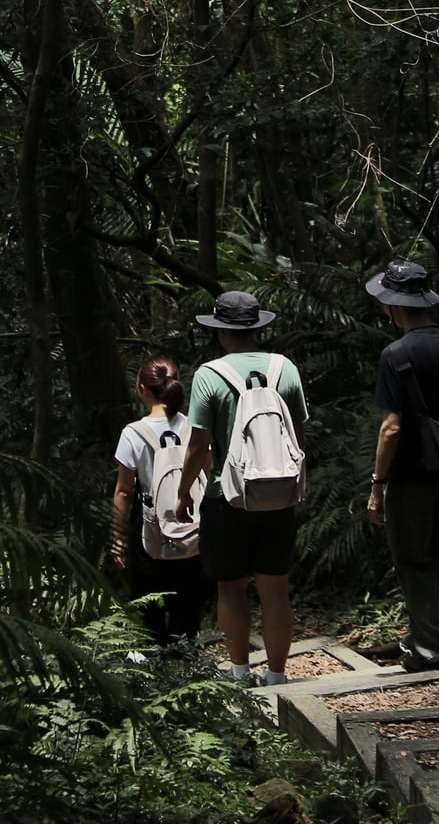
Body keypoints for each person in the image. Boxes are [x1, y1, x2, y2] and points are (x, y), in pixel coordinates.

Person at [171, 290, 308, 686]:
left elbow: (198, 445)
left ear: (219, 331)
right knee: (276, 590)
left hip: (225, 498)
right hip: (279, 496)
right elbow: (298, 439)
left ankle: (240, 673)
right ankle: (278, 676)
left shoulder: (209, 376)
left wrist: (183, 494)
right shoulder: (287, 369)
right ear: (257, 327)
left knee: (230, 589)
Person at [364, 258, 439, 672]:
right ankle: (424, 634)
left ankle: (432, 648)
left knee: (412, 558)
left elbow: (391, 428)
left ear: (394, 306)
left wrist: (377, 482)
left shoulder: (395, 353)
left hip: (410, 473)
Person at [110, 357, 211, 648]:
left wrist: (116, 537)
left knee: (149, 600)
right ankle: (187, 664)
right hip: (191, 516)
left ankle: (158, 667)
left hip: (148, 524)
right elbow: (208, 469)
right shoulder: (194, 426)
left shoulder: (133, 433)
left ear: (142, 389)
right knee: (188, 600)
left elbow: (124, 491)